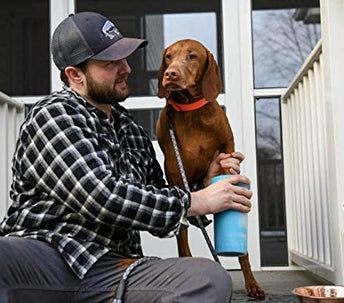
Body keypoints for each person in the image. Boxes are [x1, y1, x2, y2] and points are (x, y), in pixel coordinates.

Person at [0, 12, 252, 303]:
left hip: (116, 272)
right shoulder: (54, 114)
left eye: (125, 57)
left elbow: (160, 199)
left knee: (209, 279)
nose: (126, 68)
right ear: (75, 75)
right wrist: (199, 201)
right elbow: (101, 196)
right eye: (111, 62)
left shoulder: (131, 131)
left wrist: (203, 186)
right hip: (43, 260)